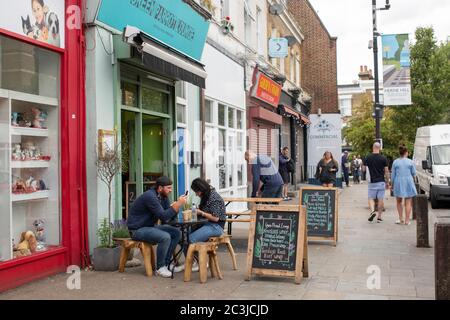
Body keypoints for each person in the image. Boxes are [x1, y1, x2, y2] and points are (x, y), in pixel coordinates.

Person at [127, 176, 187, 278]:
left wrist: (175, 206)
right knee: (164, 236)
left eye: (170, 188)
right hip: (137, 229)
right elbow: (163, 215)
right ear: (160, 188)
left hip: (150, 227)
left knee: (176, 233)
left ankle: (166, 264)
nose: (170, 190)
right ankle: (160, 267)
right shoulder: (150, 196)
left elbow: (167, 218)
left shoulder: (163, 197)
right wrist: (177, 204)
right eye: (168, 188)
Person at [180, 178, 227, 272]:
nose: (196, 194)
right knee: (183, 235)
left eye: (196, 192)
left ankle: (201, 262)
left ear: (201, 189)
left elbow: (216, 218)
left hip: (216, 226)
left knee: (191, 239)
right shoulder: (206, 195)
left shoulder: (214, 198)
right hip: (205, 224)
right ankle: (192, 262)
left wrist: (201, 213)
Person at [363, 142, 390, 223]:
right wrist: (387, 182)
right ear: (380, 148)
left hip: (372, 182)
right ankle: (379, 217)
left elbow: (363, 169)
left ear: (373, 147)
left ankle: (372, 211)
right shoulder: (383, 158)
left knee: (371, 198)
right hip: (381, 181)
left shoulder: (368, 157)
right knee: (380, 199)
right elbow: (386, 171)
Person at [392, 145, 417, 225]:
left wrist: (392, 184)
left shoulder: (395, 162)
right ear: (406, 152)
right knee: (408, 202)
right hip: (408, 181)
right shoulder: (410, 162)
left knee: (399, 201)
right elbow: (414, 173)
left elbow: (393, 175)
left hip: (398, 181)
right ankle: (407, 220)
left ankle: (400, 218)